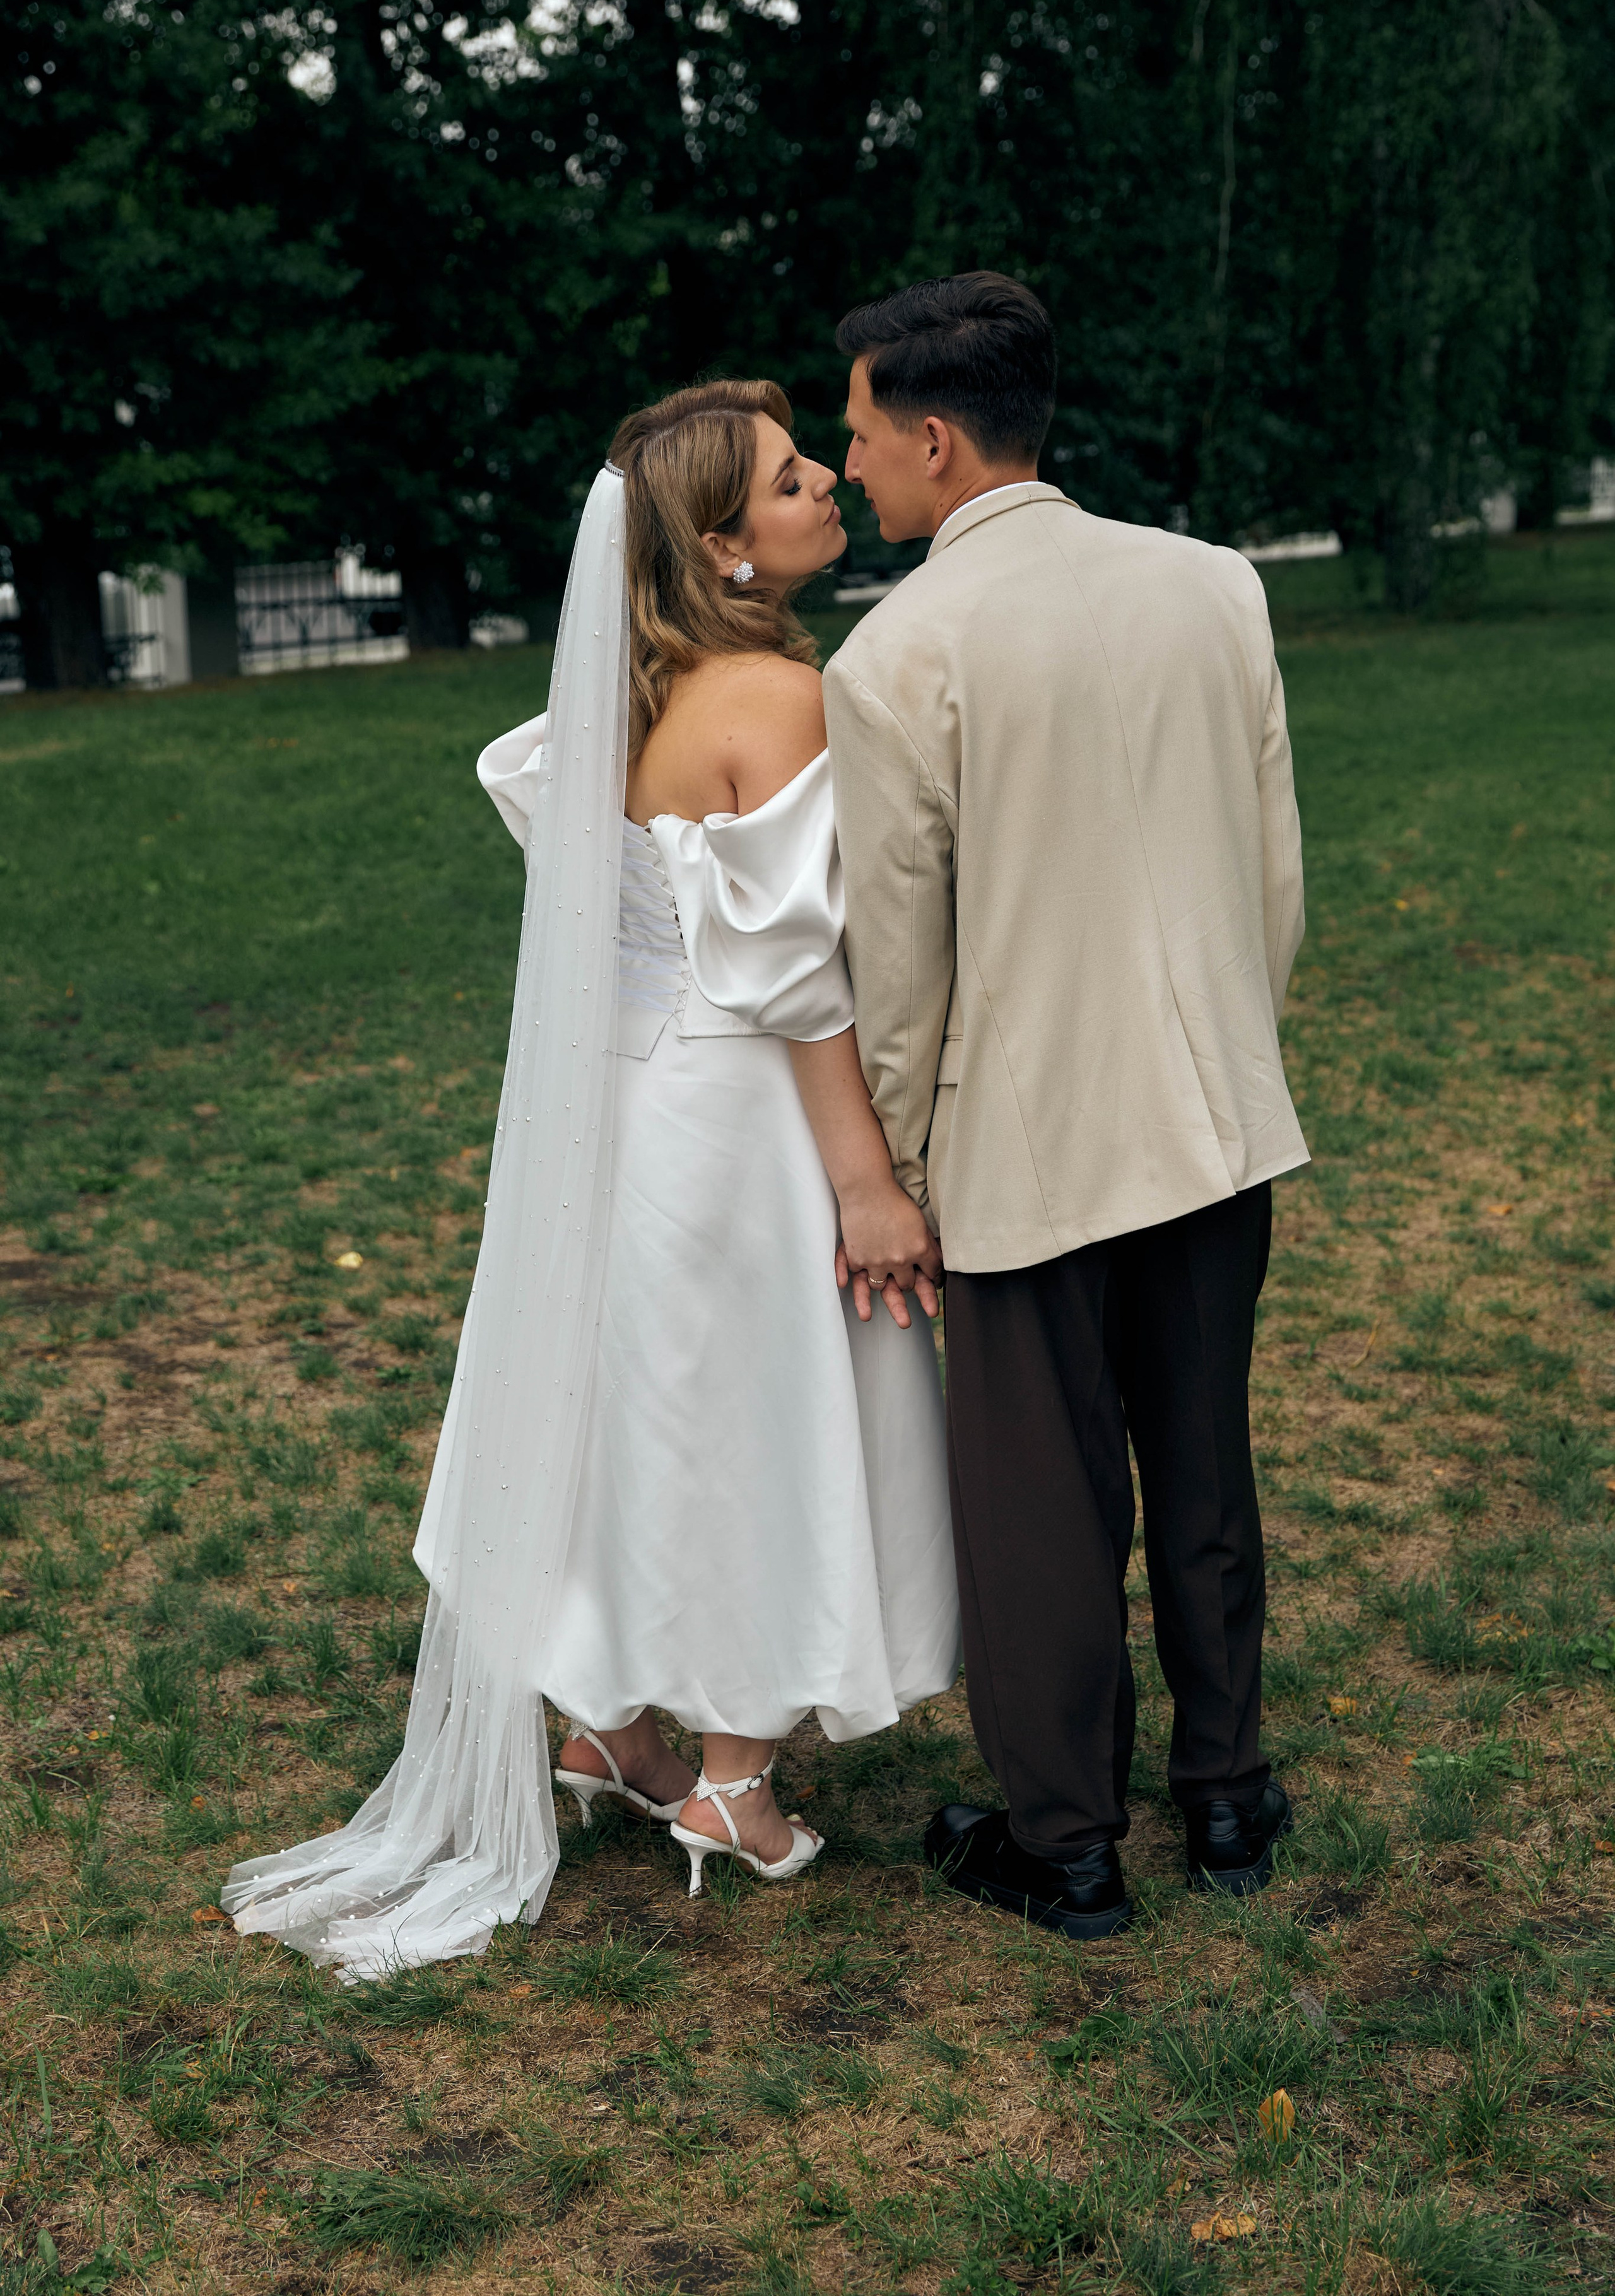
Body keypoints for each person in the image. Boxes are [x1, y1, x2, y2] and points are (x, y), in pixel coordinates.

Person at [221, 381, 958, 1976]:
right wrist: (865, 1184)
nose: (825, 479)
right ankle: (735, 1790)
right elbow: (795, 977)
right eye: (787, 477)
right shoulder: (770, 696)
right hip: (738, 1121)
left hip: (619, 1118)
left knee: (624, 1412)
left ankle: (611, 1729)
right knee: (751, 1424)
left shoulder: (615, 696)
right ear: (721, 543)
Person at [823, 272, 1308, 1941]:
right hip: (1213, 1112)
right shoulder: (1215, 588)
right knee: (1204, 1460)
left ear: (938, 440)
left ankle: (1068, 1845)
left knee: (1041, 1501)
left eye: (864, 436)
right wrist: (1231, 1052)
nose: (854, 469)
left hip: (1020, 1145)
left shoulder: (897, 656)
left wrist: (891, 1164)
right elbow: (1274, 879)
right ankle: (1230, 1799)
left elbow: (899, 965)